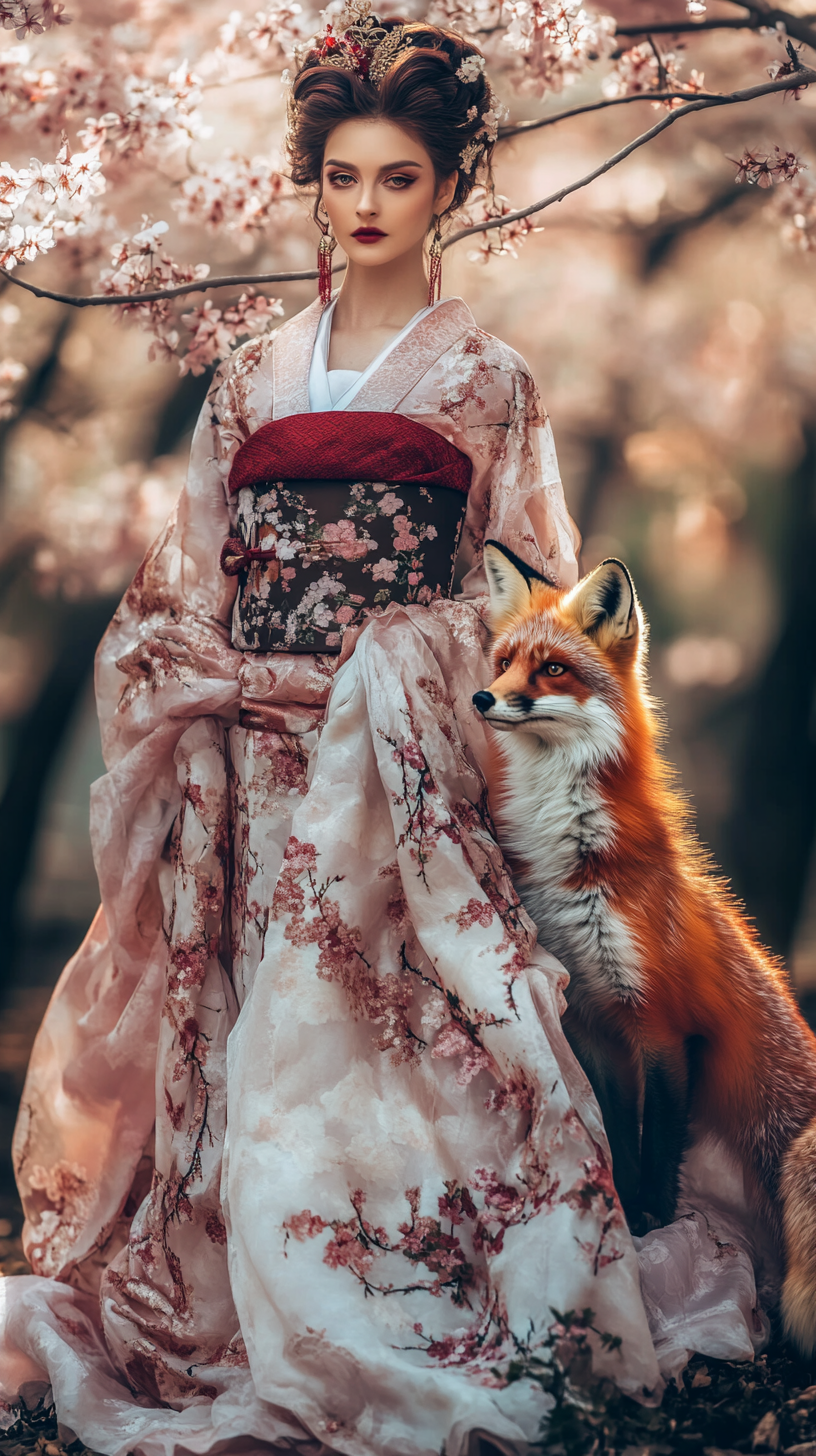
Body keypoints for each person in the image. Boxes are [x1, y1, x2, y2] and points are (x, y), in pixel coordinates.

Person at [0, 6, 769, 1453]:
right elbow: (186, 577)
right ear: (314, 184)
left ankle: (402, 1291)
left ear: (449, 190)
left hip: (399, 780)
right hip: (253, 766)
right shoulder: (246, 382)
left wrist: (397, 677)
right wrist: (221, 684)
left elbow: (531, 600)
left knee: (393, 1046)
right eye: (341, 176)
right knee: (248, 1050)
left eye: (397, 178)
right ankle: (245, 1293)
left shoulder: (489, 383)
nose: (364, 206)